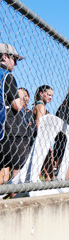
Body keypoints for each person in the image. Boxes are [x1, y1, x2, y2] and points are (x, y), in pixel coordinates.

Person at [0, 44, 26, 185]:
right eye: (14, 59)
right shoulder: (7, 75)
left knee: (3, 173)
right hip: (10, 129)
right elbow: (17, 105)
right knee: (17, 174)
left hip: (2, 129)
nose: (15, 64)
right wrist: (21, 96)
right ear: (5, 57)